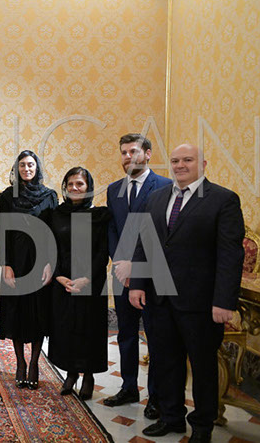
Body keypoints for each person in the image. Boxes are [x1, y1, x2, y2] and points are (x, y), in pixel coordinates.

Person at [130, 144, 244, 443]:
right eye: (176, 160)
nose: (180, 165)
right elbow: (144, 244)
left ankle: (203, 426)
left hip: (201, 302)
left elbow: (230, 255)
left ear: (202, 164)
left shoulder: (223, 200)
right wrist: (138, 283)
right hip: (159, 298)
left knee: (203, 366)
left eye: (188, 160)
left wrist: (224, 301)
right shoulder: (156, 198)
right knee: (166, 361)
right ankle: (171, 418)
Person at [104, 134, 171, 418]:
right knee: (127, 334)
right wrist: (121, 263)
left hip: (154, 275)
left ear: (148, 154)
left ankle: (156, 396)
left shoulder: (166, 186)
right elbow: (112, 230)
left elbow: (164, 233)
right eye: (123, 152)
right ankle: (129, 387)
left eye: (133, 151)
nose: (128, 157)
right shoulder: (114, 189)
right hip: (121, 274)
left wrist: (136, 266)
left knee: (156, 337)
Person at [44, 167, 111, 400]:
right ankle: (71, 374)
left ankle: (89, 376)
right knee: (66, 330)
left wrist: (87, 278)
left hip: (91, 283)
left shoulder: (100, 215)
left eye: (80, 184)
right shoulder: (56, 214)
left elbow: (103, 252)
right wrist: (59, 276)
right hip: (63, 282)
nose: (75, 188)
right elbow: (51, 247)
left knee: (88, 330)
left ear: (88, 187)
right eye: (70, 184)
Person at [0, 150, 57, 389]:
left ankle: (34, 364)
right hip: (15, 261)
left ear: (37, 168)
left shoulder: (49, 196)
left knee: (37, 313)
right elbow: (3, 232)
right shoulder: (7, 196)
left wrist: (50, 263)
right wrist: (6, 265)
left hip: (40, 262)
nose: (26, 169)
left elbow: (53, 232)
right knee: (16, 313)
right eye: (22, 165)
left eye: (30, 164)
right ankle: (20, 363)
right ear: (17, 169)